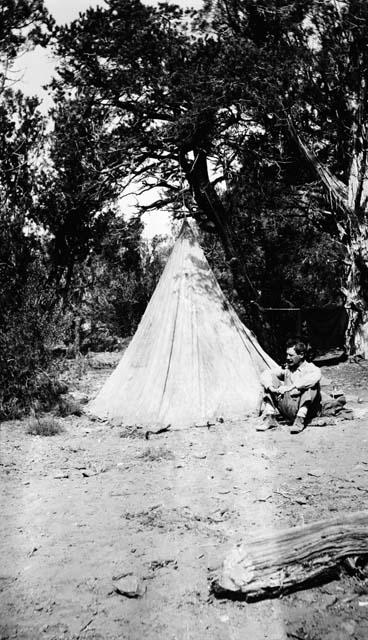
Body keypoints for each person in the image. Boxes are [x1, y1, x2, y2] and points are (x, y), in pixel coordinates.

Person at [257, 340, 322, 434]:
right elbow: (265, 374)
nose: (288, 358)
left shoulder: (310, 368)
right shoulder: (288, 368)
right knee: (269, 380)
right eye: (287, 354)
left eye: (291, 355)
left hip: (307, 412)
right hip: (289, 409)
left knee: (312, 386)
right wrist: (271, 387)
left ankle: (300, 421)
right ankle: (270, 418)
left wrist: (290, 387)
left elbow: (315, 377)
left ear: (301, 355)